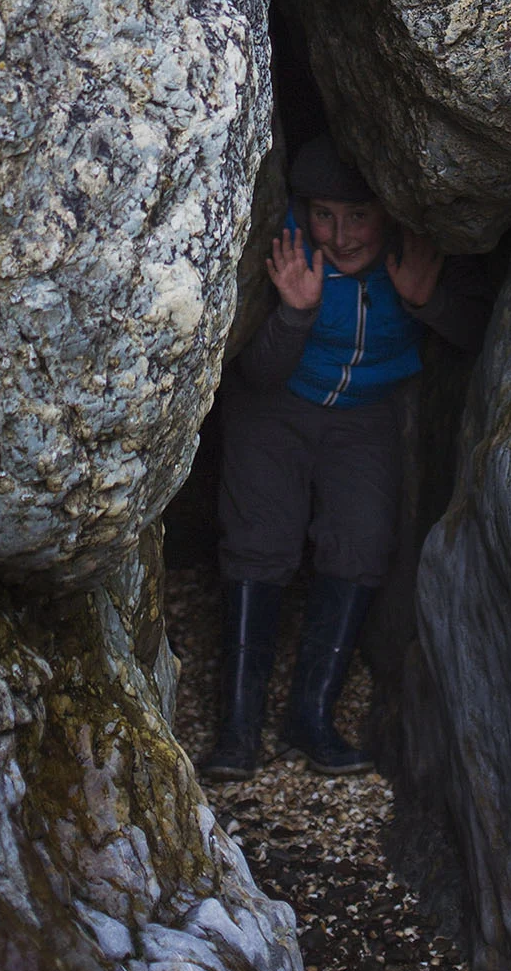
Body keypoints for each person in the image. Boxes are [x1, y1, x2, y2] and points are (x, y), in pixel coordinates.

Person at [204, 134, 491, 781]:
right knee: (260, 538)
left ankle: (311, 716)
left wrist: (426, 300)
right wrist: (295, 313)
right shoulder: (286, 250)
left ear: (386, 212)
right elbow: (256, 370)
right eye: (324, 214)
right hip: (276, 406)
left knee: (361, 542)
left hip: (364, 414)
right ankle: (237, 731)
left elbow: (476, 333)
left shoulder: (412, 251)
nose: (339, 234)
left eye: (357, 215)